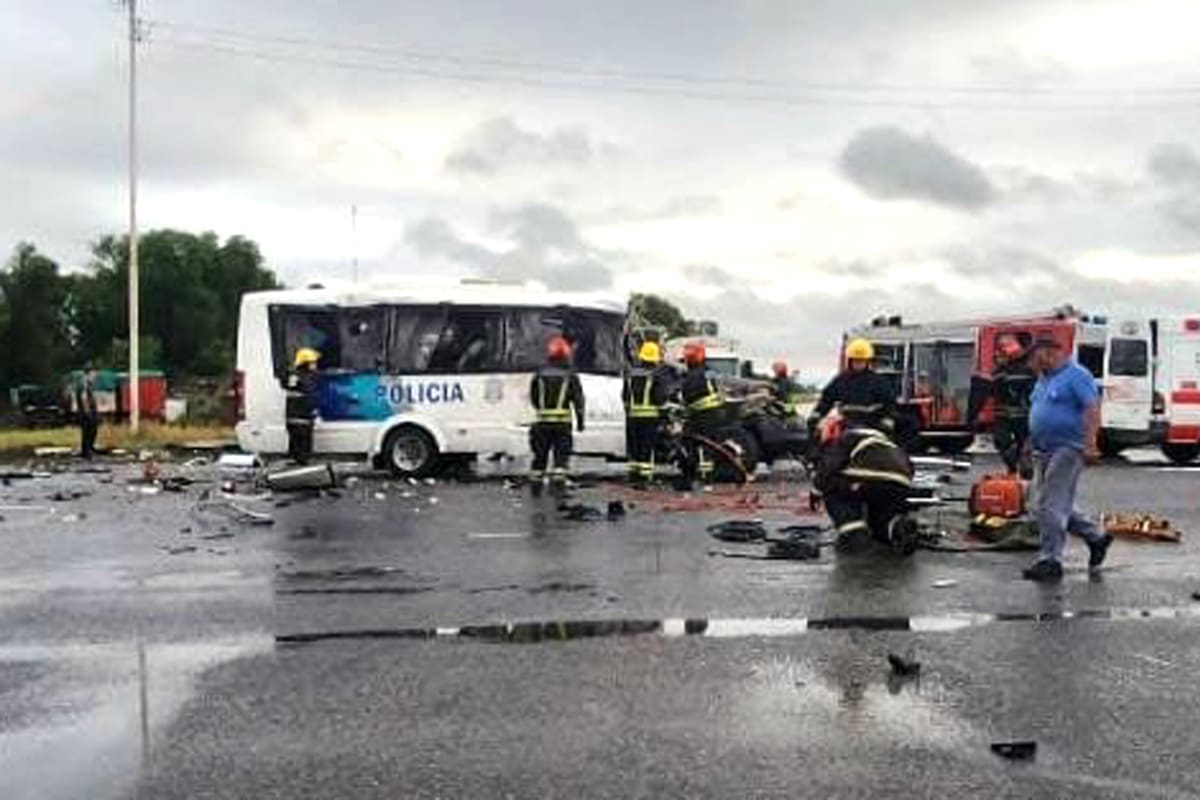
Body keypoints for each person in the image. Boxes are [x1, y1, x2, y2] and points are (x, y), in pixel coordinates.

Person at [1022, 337, 1112, 582]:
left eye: (1031, 358)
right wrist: (1028, 444)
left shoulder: (1077, 375)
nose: (1029, 364)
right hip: (1044, 449)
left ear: (1047, 353)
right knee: (1040, 504)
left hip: (1068, 447)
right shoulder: (1044, 378)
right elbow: (1037, 411)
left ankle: (1050, 560)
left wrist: (1091, 444)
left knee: (1051, 504)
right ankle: (1096, 536)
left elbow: (1092, 409)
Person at [813, 410, 918, 556]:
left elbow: (828, 469)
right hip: (899, 483)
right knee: (880, 518)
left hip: (865, 480)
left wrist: (816, 491)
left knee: (832, 490)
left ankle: (853, 534)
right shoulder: (886, 440)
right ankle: (896, 528)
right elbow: (909, 466)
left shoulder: (846, 437)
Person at [529, 335, 585, 494]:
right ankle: (558, 488)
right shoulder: (570, 375)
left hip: (541, 423)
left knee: (540, 456)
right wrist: (580, 421)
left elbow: (533, 397)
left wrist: (542, 410)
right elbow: (578, 400)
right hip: (562, 424)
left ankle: (536, 487)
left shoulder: (539, 374)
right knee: (561, 457)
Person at [812, 338, 897, 432]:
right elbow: (826, 399)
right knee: (825, 441)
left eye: (861, 361)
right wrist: (817, 414)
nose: (858, 363)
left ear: (868, 362)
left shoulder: (879, 382)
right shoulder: (841, 380)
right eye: (855, 360)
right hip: (846, 425)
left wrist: (888, 419)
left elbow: (890, 403)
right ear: (850, 361)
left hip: (873, 426)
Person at [623, 341, 672, 487]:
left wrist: (629, 410)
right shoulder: (655, 375)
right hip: (649, 418)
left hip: (632, 417)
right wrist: (665, 416)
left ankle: (633, 475)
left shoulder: (631, 374)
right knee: (646, 448)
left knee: (634, 448)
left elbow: (624, 395)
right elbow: (660, 398)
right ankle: (644, 479)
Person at [679, 342, 726, 486]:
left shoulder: (692, 376)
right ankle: (707, 479)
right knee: (709, 446)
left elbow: (686, 398)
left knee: (695, 444)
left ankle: (700, 478)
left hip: (701, 415)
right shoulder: (710, 372)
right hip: (716, 414)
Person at [991, 334, 1036, 475]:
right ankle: (1012, 469)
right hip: (1002, 415)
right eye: (1002, 346)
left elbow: (1035, 389)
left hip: (1025, 415)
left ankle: (1025, 473)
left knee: (1025, 448)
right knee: (1002, 442)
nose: (1004, 349)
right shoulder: (1001, 369)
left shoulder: (1030, 366)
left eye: (1008, 344)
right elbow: (995, 390)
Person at [285, 347, 321, 464]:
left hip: (296, 417)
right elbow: (309, 395)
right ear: (305, 363)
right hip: (301, 416)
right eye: (312, 362)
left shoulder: (295, 376)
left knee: (298, 443)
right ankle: (301, 466)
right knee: (302, 443)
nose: (315, 365)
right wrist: (314, 410)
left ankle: (298, 461)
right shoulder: (304, 378)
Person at [76, 363, 100, 460]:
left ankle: (87, 450)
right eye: (94, 373)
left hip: (87, 411)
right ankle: (87, 451)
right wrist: (88, 412)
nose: (95, 376)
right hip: (87, 412)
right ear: (89, 373)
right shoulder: (84, 383)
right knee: (89, 431)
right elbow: (84, 397)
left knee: (89, 431)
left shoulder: (86, 383)